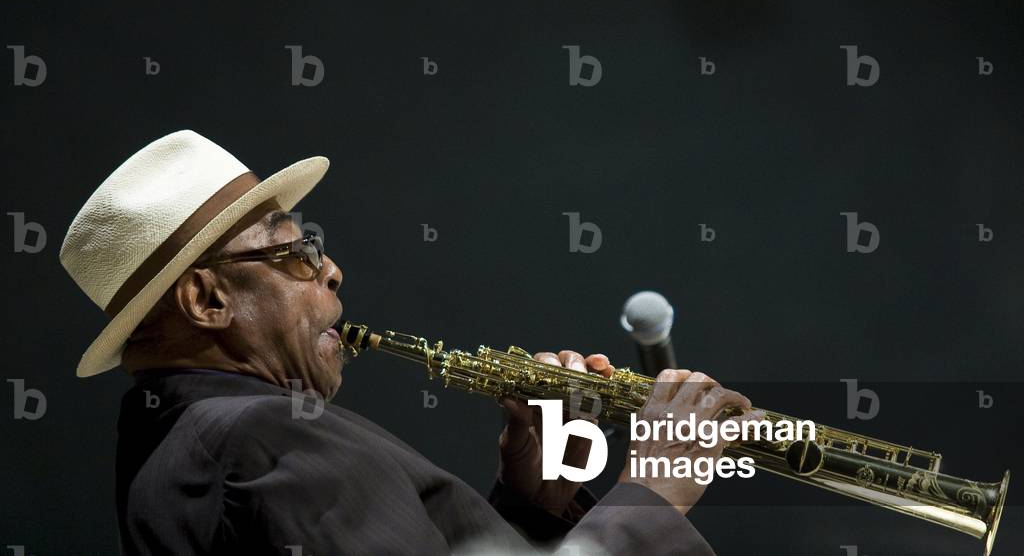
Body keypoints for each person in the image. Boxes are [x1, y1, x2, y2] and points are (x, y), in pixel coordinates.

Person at [60, 130, 757, 555]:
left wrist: (532, 506)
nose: (331, 270)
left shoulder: (168, 455)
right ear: (207, 300)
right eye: (294, 251)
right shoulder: (264, 437)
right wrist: (652, 493)